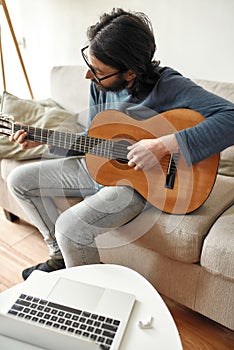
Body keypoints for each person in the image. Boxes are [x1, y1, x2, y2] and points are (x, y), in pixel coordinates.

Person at [8, 8, 234, 280]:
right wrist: (43, 141)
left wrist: (162, 146)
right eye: (90, 66)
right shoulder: (99, 85)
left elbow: (230, 117)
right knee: (19, 179)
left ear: (129, 73)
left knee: (70, 228)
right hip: (101, 169)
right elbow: (95, 141)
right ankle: (59, 258)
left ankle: (95, 303)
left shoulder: (170, 86)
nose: (89, 77)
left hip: (142, 185)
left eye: (98, 71)